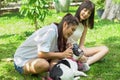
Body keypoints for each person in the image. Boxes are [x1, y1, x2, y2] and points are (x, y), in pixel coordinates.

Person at [13, 13, 79, 75]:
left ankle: (52, 74)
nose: (72, 33)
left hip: (37, 58)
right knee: (44, 65)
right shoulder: (51, 31)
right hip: (22, 61)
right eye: (72, 29)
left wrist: (66, 49)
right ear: (65, 25)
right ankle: (46, 74)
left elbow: (56, 52)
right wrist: (62, 54)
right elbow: (41, 54)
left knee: (57, 59)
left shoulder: (60, 34)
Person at [67, 0, 109, 65]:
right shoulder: (70, 19)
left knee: (105, 49)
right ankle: (88, 60)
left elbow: (81, 45)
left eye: (89, 13)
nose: (86, 14)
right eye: (85, 10)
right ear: (80, 8)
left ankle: (87, 63)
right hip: (67, 48)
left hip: (77, 49)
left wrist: (82, 52)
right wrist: (79, 54)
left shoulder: (84, 26)